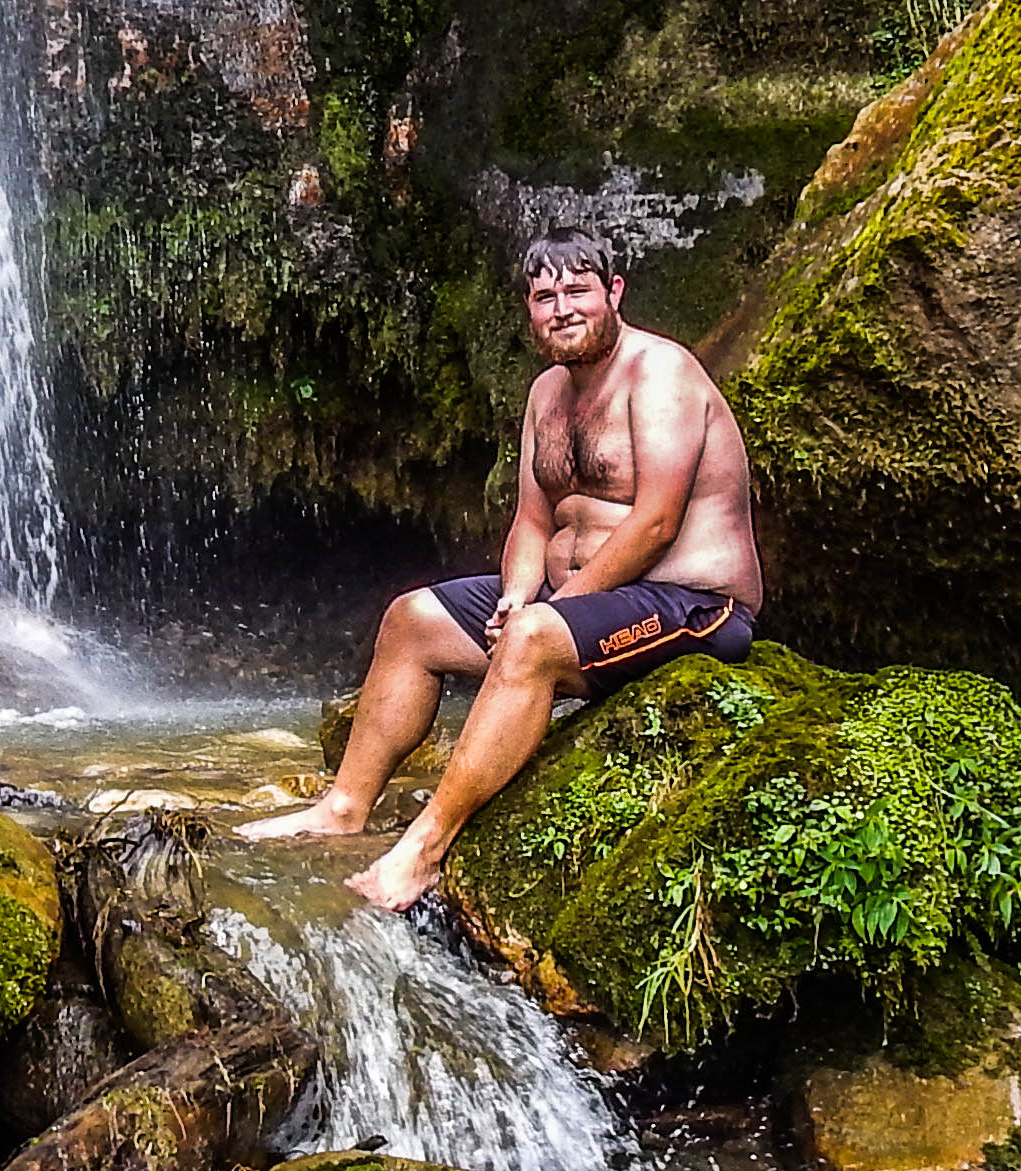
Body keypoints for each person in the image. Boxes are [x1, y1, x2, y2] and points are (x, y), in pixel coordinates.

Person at [242, 232, 765, 912]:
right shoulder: (548, 393)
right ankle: (342, 807)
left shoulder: (659, 373)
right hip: (578, 600)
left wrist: (553, 610)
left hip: (691, 604)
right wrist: (516, 596)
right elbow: (533, 521)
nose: (563, 309)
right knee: (413, 620)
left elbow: (656, 522)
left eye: (578, 291)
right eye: (545, 297)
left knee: (532, 637)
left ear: (614, 293)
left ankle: (425, 849)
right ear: (529, 311)